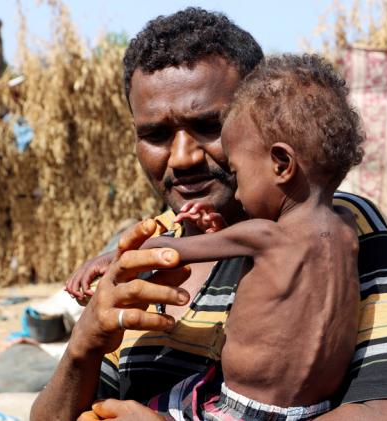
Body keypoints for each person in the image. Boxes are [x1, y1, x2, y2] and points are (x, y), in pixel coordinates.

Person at [31, 8, 387, 421]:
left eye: (210, 126)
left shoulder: (345, 229)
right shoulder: (147, 251)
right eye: (155, 135)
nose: (182, 157)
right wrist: (83, 345)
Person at [119, 54, 365, 419]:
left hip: (235, 408)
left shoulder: (263, 235)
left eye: (238, 172)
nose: (236, 193)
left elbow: (168, 249)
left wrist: (110, 260)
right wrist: (221, 229)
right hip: (314, 410)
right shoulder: (350, 231)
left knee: (122, 412)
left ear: (281, 164)